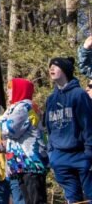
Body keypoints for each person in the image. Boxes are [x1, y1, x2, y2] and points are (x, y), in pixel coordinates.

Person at [45, 56, 92, 203]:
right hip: (60, 158)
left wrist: (89, 154)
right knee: (73, 199)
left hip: (81, 156)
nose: (51, 68)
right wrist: (52, 155)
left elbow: (88, 125)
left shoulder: (79, 94)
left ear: (65, 70)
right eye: (50, 66)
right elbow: (49, 128)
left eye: (55, 65)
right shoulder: (51, 99)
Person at [0, 77, 48, 204]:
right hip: (24, 165)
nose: (7, 92)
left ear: (19, 90)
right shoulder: (21, 107)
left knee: (35, 200)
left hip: (30, 163)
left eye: (10, 89)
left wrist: (3, 119)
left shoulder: (23, 107)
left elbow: (8, 129)